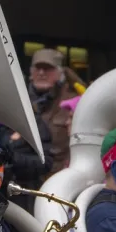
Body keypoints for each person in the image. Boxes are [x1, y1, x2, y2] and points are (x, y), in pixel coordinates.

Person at [28, 48, 79, 177]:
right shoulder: (19, 99)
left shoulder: (73, 101)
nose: (41, 73)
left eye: (47, 68)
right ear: (31, 72)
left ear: (60, 72)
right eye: (37, 68)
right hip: (25, 176)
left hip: (59, 177)